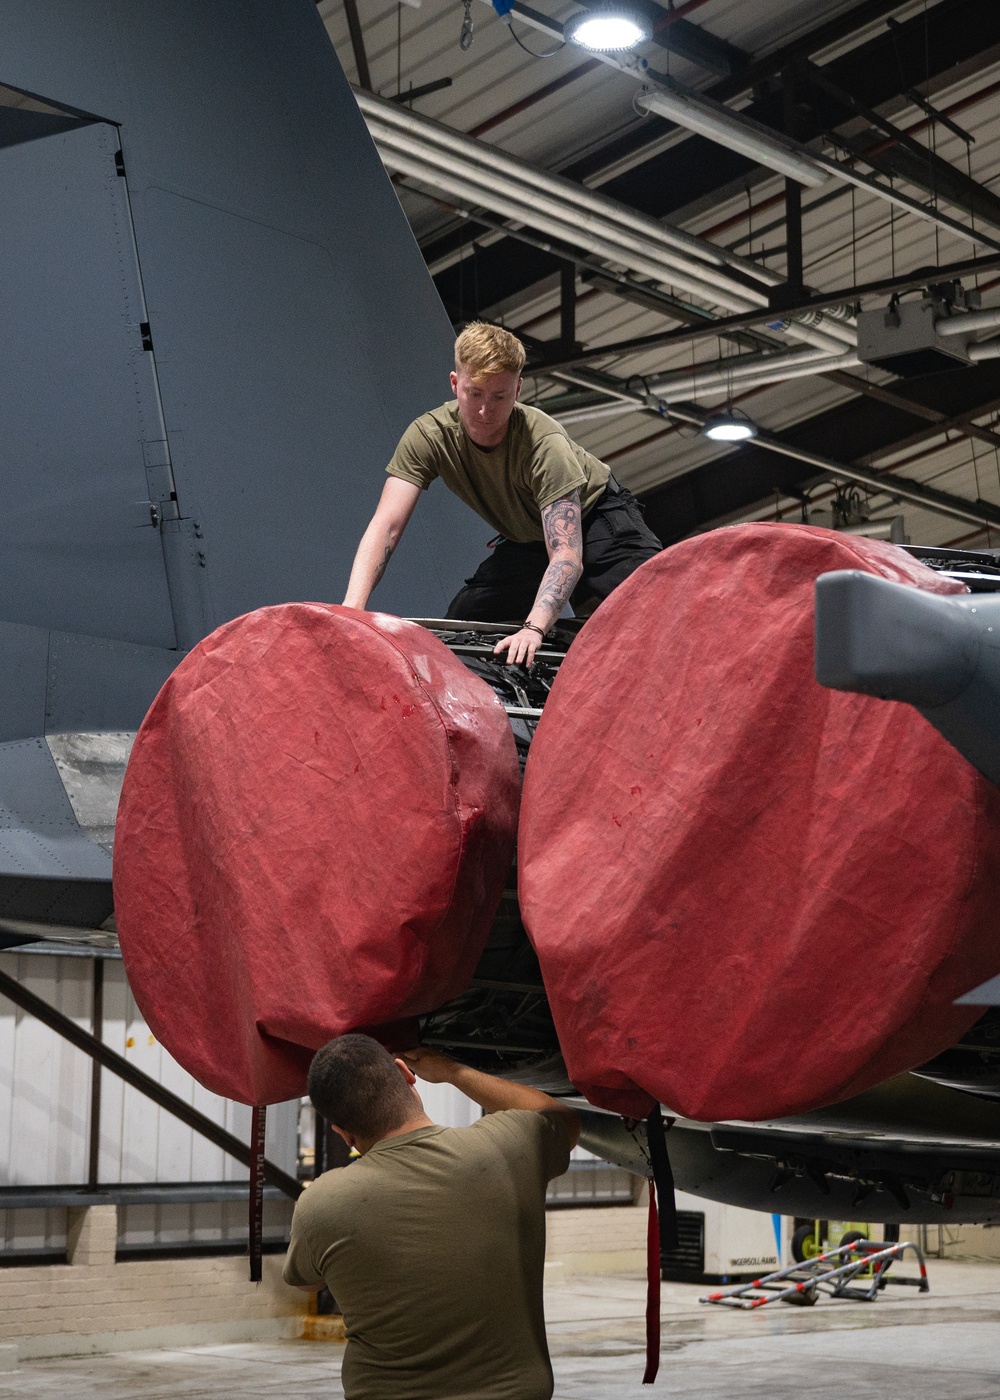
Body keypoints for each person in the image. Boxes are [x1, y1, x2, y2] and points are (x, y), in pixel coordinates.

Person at [343, 321, 661, 667]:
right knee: (463, 625)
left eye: (499, 396)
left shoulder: (543, 443)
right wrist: (351, 612)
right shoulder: (429, 436)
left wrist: (533, 629)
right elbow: (387, 525)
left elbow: (567, 553)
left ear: (518, 390)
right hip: (529, 538)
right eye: (474, 393)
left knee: (658, 606)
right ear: (455, 383)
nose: (485, 411)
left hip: (595, 518)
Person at [283, 1033, 580, 1400]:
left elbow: (305, 1282)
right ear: (407, 1074)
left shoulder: (321, 1204)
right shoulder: (508, 1147)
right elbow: (562, 1118)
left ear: (343, 1134)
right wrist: (454, 1071)